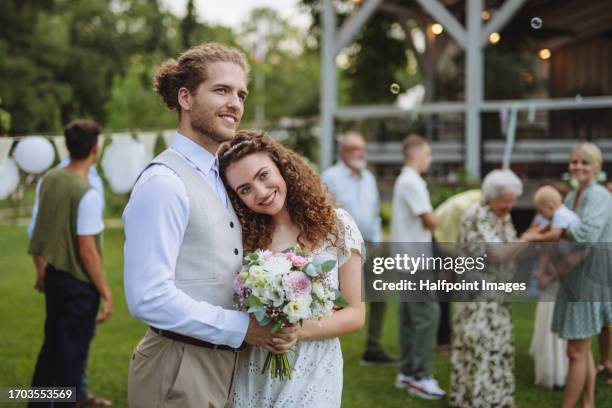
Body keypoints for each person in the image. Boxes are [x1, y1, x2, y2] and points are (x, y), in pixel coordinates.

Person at [123, 43, 297, 408]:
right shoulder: (164, 183)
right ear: (185, 98)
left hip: (226, 363)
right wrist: (245, 329)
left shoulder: (223, 176)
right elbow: (148, 297)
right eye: (222, 90)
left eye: (241, 94)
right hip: (178, 364)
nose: (235, 103)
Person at [219, 130, 366, 407]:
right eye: (245, 189)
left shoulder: (338, 226)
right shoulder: (241, 239)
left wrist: (299, 331)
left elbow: (356, 314)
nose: (260, 192)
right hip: (255, 366)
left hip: (316, 368)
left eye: (263, 175)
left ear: (281, 166)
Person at [27, 119, 113, 407]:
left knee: (50, 351)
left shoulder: (50, 179)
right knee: (70, 361)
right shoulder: (86, 192)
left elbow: (42, 229)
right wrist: (106, 292)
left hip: (53, 276)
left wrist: (41, 270)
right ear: (95, 150)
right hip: (78, 288)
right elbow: (87, 251)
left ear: (66, 146)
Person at [451, 169, 526, 408]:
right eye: (506, 200)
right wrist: (529, 238)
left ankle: (499, 398)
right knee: (480, 346)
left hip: (498, 292)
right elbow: (497, 254)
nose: (510, 205)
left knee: (500, 345)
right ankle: (479, 401)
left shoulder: (500, 216)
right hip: (478, 294)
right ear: (492, 196)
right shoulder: (479, 215)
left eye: (513, 199)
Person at [547, 142, 612, 408]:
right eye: (574, 161)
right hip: (576, 275)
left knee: (575, 351)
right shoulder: (577, 195)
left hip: (589, 276)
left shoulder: (597, 195)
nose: (578, 167)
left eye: (585, 162)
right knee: (581, 349)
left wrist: (556, 231)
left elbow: (586, 235)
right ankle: (587, 404)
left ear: (597, 167)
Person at [321, 131, 393, 365]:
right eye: (354, 149)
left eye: (362, 148)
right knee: (337, 300)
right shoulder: (330, 176)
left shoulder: (369, 178)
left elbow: (372, 213)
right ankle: (328, 347)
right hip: (344, 251)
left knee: (380, 297)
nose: (360, 153)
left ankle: (373, 346)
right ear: (342, 152)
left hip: (372, 245)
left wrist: (379, 240)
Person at [391, 134, 445, 400]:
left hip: (406, 257)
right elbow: (431, 221)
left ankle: (408, 371)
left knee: (410, 317)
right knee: (427, 316)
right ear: (416, 154)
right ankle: (421, 376)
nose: (429, 160)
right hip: (415, 260)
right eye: (428, 154)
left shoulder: (405, 179)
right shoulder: (413, 181)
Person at [526, 185, 573, 389]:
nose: (540, 216)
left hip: (561, 280)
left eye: (541, 211)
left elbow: (552, 243)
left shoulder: (560, 219)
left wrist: (535, 237)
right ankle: (558, 371)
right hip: (560, 278)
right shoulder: (561, 217)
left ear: (551, 206)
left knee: (554, 325)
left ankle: (557, 373)